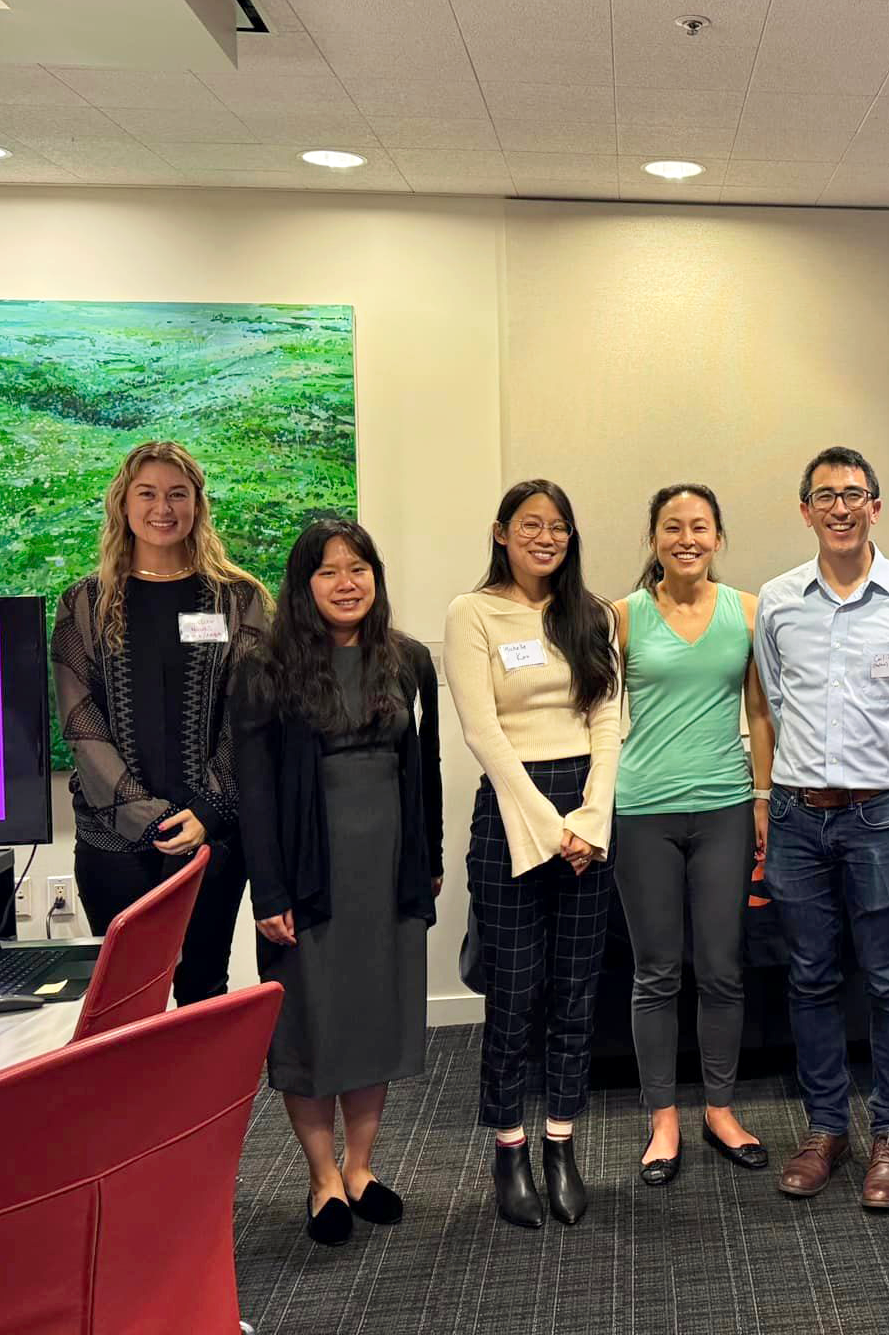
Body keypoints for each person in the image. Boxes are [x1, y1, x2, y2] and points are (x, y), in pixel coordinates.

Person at [755, 445, 889, 1211]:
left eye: (854, 494)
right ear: (804, 510)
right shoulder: (778, 600)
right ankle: (825, 1128)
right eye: (825, 496)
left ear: (877, 506)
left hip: (882, 814)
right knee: (809, 976)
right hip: (801, 815)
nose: (840, 508)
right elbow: (774, 699)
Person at [234, 519, 441, 1246]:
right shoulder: (265, 665)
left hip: (387, 872)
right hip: (309, 876)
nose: (346, 583)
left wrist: (430, 860)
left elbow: (428, 771)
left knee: (372, 1016)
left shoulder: (407, 660)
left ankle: (361, 1169)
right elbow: (254, 790)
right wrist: (271, 892)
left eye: (359, 569)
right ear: (303, 584)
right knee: (311, 1023)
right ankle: (322, 1178)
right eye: (328, 572)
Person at [445, 480, 622, 1229]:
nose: (546, 538)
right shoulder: (473, 613)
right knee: (514, 996)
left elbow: (610, 720)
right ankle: (510, 1148)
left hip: (587, 808)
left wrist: (593, 819)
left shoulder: (591, 615)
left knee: (576, 997)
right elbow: (483, 733)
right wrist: (553, 829)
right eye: (531, 526)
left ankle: (562, 1145)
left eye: (558, 527)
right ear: (501, 532)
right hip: (514, 811)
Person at [51, 439, 269, 1006]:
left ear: (198, 504)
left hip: (211, 837)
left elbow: (249, 717)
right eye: (147, 494)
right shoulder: (83, 604)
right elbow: (79, 721)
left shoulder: (238, 601)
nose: (162, 508)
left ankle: (201, 1101)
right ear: (123, 504)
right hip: (112, 843)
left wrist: (205, 814)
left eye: (178, 494)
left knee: (203, 991)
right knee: (122, 1004)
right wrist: (148, 819)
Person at [613, 483, 775, 1184]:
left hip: (724, 807)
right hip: (642, 810)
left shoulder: (747, 611)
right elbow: (594, 718)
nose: (687, 538)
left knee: (721, 969)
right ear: (653, 537)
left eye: (700, 527)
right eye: (672, 527)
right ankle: (662, 1117)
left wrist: (764, 799)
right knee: (655, 973)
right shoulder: (621, 617)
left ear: (718, 537)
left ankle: (719, 1107)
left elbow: (762, 712)